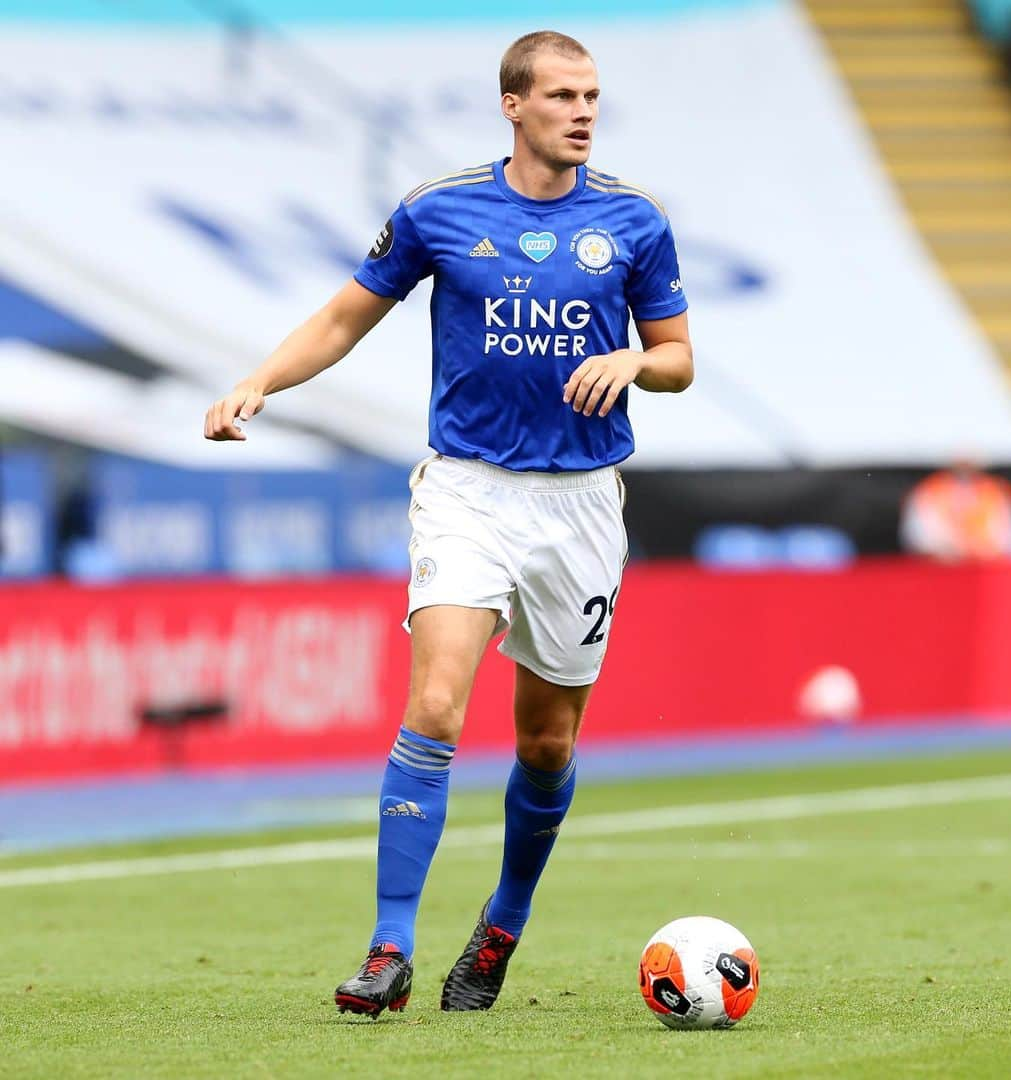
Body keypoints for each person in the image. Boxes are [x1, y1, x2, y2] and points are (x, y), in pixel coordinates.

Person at [203, 29, 693, 1017]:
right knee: (435, 700)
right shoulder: (439, 208)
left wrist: (638, 364)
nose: (583, 111)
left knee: (548, 744)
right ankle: (388, 947)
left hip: (581, 502)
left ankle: (504, 919)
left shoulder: (635, 222)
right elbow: (345, 316)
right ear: (513, 104)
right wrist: (259, 380)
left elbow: (679, 355)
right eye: (561, 95)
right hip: (468, 488)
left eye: (591, 95)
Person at [899, 460, 1011, 562]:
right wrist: (950, 548)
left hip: (985, 571)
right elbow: (918, 536)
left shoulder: (996, 491)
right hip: (940, 569)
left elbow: (1009, 537)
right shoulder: (929, 490)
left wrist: (978, 548)